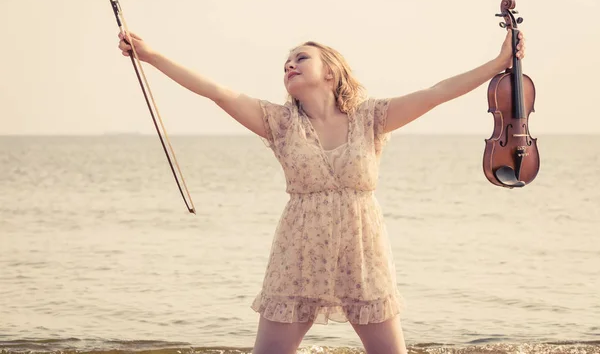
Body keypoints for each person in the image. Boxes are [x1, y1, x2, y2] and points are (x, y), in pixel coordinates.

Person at [117, 29, 525, 354]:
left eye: (300, 58)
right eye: (285, 63)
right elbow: (216, 91)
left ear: (330, 71)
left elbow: (438, 92)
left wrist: (498, 62)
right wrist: (150, 55)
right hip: (299, 249)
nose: (289, 66)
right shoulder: (278, 123)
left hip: (362, 249)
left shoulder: (371, 118)